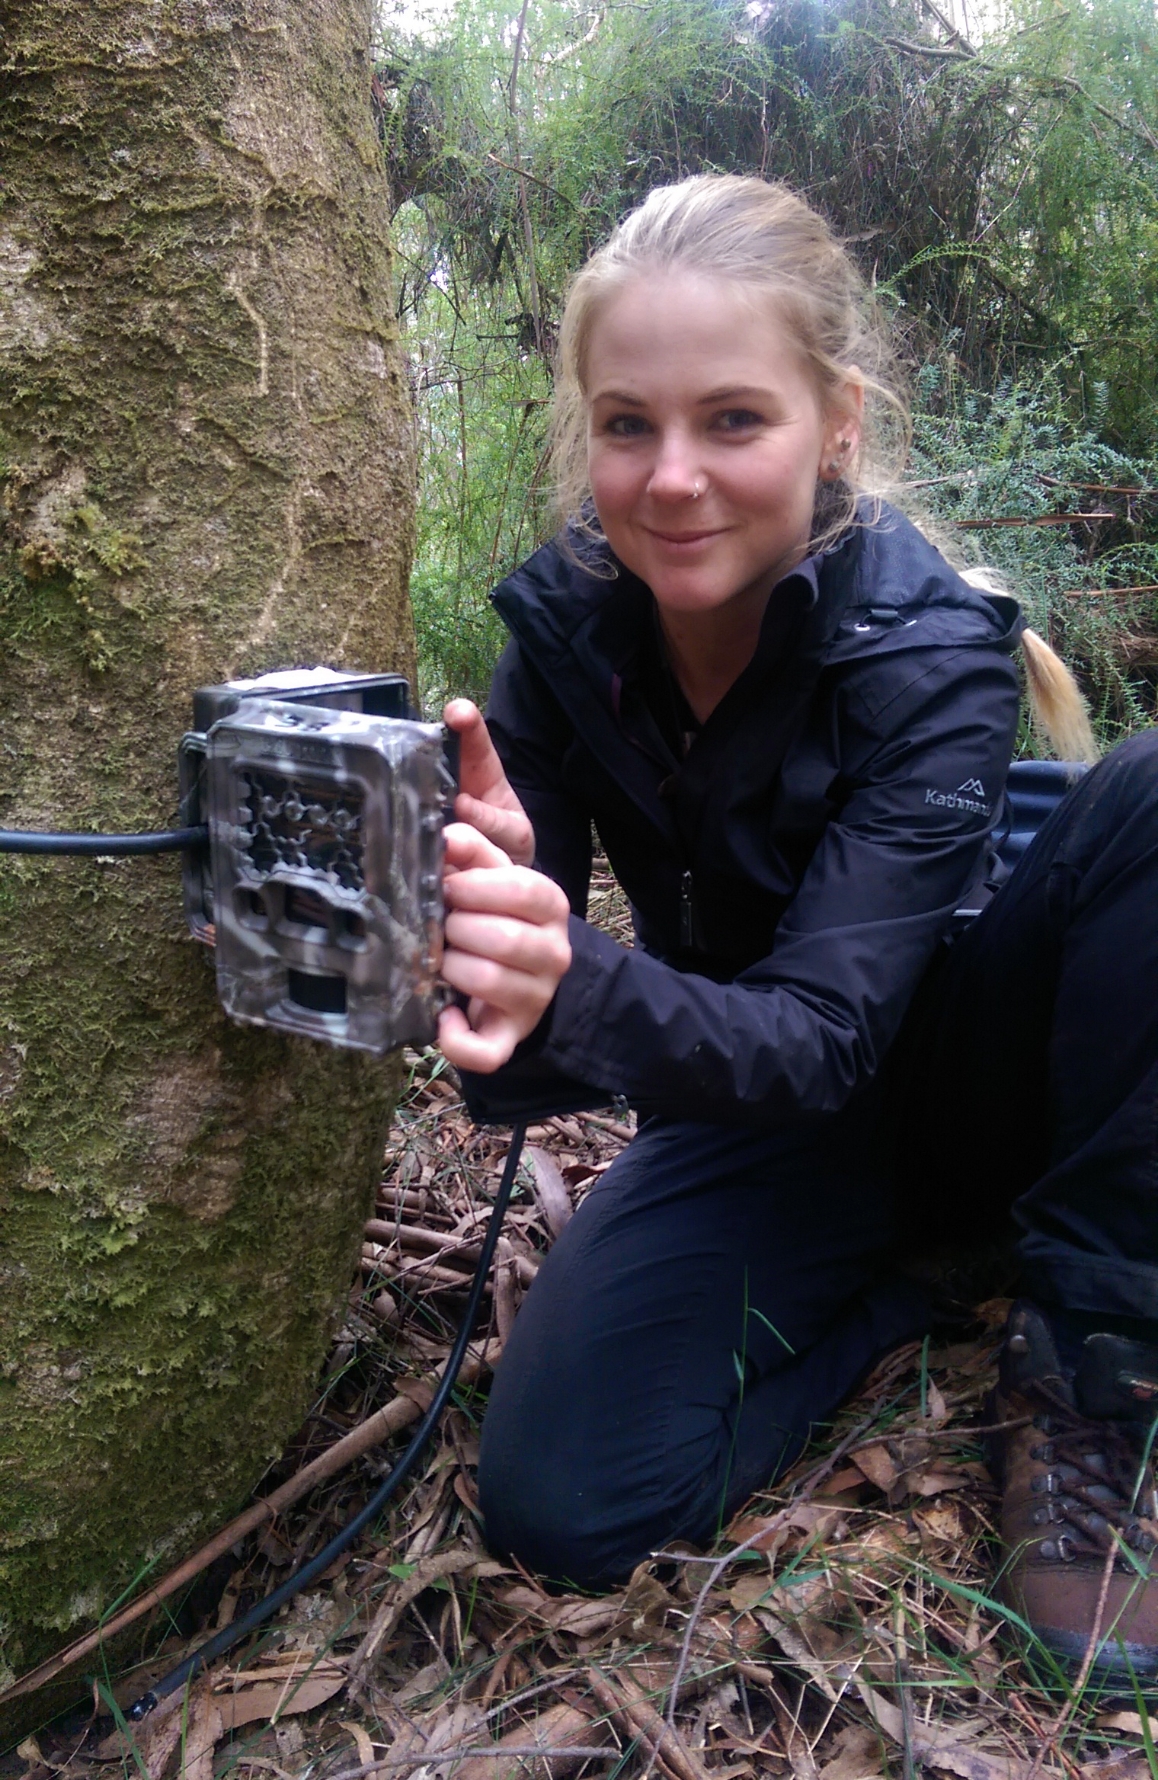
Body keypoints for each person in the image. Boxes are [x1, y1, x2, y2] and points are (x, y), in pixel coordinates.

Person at [433, 175, 1158, 1677]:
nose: (672, 476)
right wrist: (471, 947)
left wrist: (571, 976)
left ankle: (1093, 1354)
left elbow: (830, 1037)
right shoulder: (563, 642)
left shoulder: (925, 649)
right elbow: (525, 1078)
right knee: (569, 1507)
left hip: (975, 1057)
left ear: (833, 422)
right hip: (756, 1104)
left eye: (733, 420)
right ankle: (922, 1280)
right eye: (627, 423)